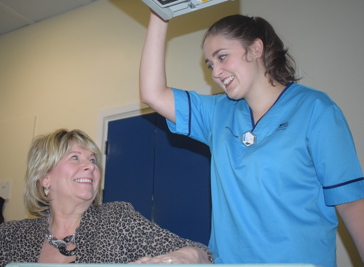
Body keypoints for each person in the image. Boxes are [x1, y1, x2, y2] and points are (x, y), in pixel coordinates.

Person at [139, 11, 364, 267]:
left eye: (222, 57)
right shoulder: (217, 113)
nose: (215, 72)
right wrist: (160, 13)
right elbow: (152, 93)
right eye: (210, 64)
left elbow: (352, 204)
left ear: (255, 48)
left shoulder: (315, 109)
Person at [0, 129, 213, 266]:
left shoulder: (116, 220)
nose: (90, 166)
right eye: (75, 158)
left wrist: (189, 256)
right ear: (45, 178)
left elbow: (202, 254)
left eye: (93, 160)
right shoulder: (13, 236)